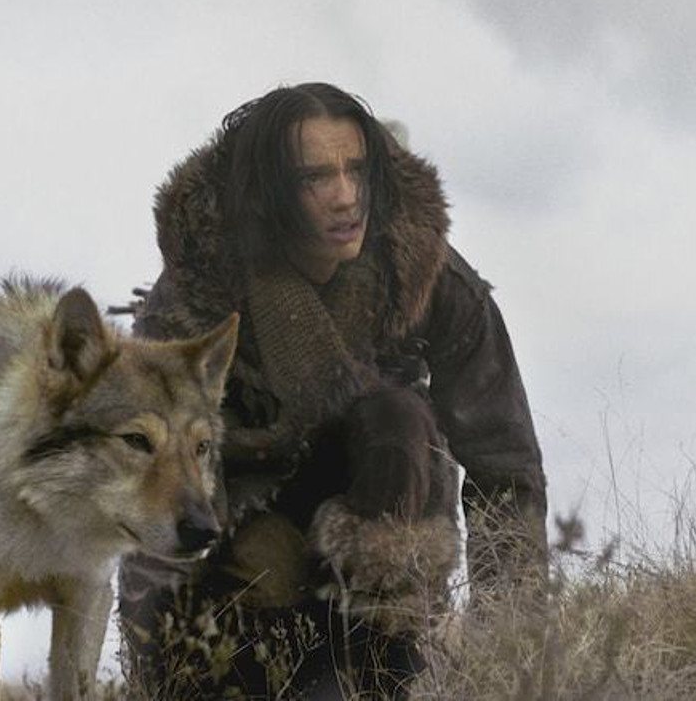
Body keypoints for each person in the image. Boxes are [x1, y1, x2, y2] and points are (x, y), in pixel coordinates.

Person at [119, 82, 547, 699]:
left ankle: (379, 656)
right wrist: (156, 656)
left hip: (384, 535)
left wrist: (511, 645)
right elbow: (151, 477)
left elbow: (505, 465)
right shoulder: (196, 294)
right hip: (240, 551)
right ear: (269, 195)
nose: (346, 197)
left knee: (396, 418)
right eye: (314, 178)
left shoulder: (423, 270)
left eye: (357, 170)